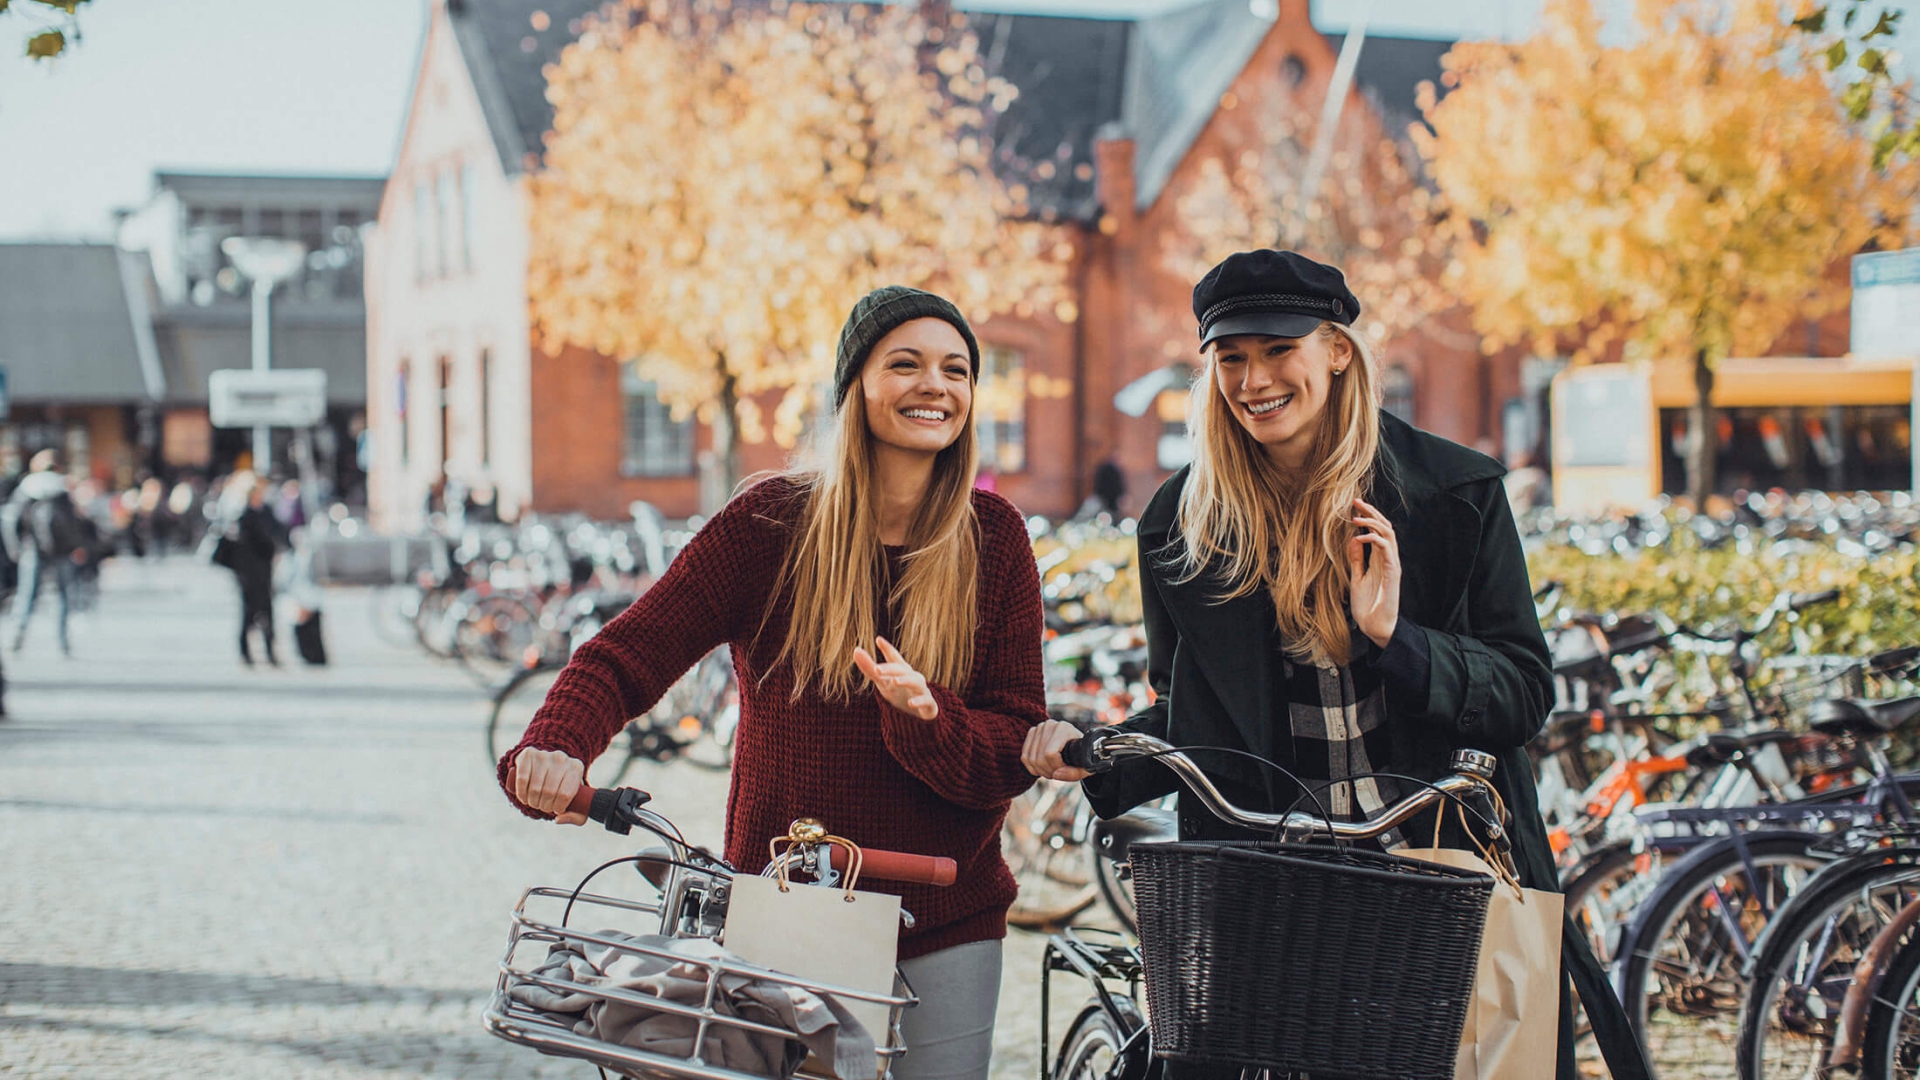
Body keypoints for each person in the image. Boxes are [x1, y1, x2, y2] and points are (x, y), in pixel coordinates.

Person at [1020, 250, 1652, 1080]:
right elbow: (1197, 716)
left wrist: (1398, 640)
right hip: (1273, 888)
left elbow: (1525, 692)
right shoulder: (1183, 523)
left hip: (1441, 876)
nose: (1254, 380)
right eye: (1232, 357)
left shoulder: (1453, 494)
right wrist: (1096, 756)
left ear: (1337, 351)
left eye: (1279, 350)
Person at [502, 286, 1046, 1080]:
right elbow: (627, 654)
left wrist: (930, 717)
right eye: (907, 364)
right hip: (789, 907)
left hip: (948, 918)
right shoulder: (769, 526)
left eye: (957, 370)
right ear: (855, 385)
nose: (937, 385)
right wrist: (554, 744)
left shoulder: (995, 541)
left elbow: (1012, 750)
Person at [3, 450, 90, 657]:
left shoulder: (27, 487)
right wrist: (77, 546)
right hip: (61, 551)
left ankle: (18, 636)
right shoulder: (62, 487)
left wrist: (15, 547)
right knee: (62, 595)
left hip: (32, 549)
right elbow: (74, 522)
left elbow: (12, 520)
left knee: (27, 594)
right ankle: (63, 642)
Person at [225, 474, 288, 666]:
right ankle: (245, 652)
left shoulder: (266, 511)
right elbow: (243, 545)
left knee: (267, 611)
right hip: (247, 573)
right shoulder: (242, 515)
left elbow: (279, 532)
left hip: (265, 570)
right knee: (248, 613)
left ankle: (270, 651)